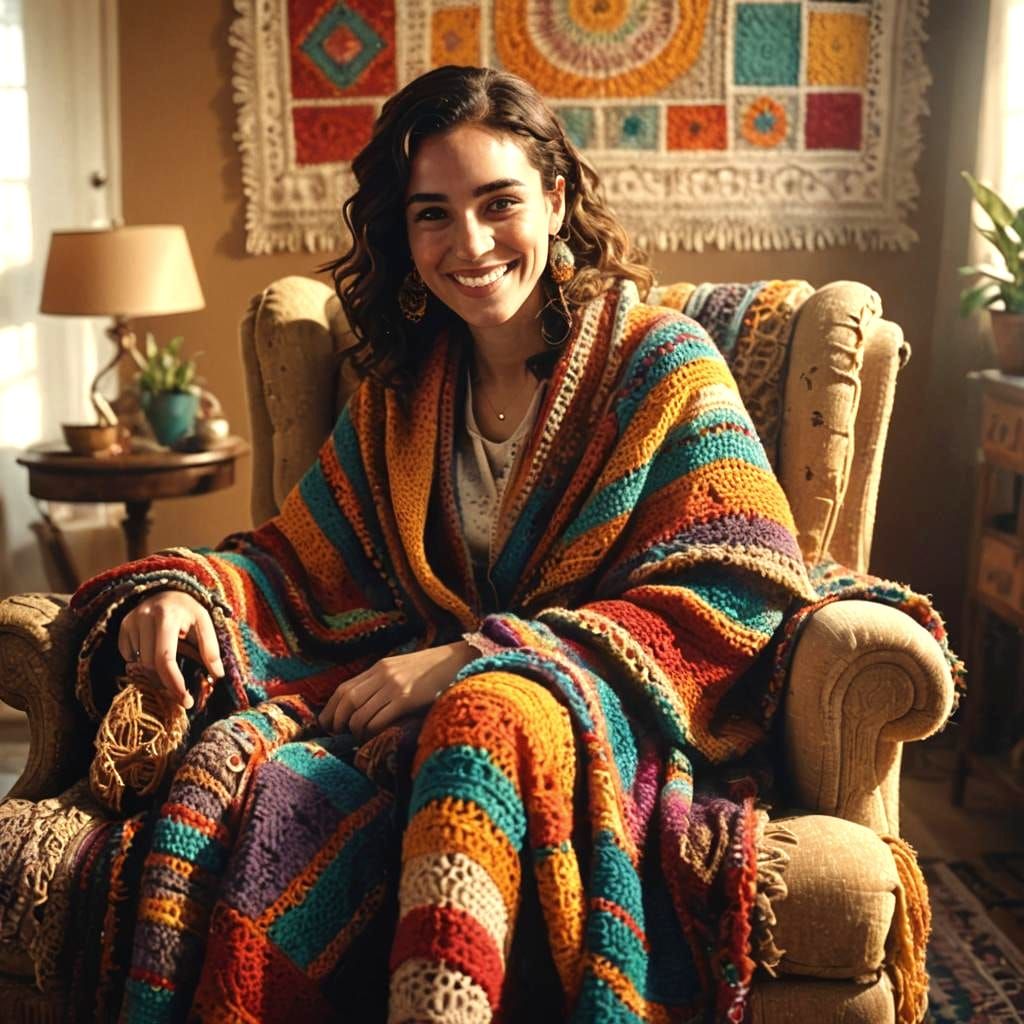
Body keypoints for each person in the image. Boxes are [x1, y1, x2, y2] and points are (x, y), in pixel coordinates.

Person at [66, 65, 819, 1023]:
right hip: (416, 704)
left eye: (497, 202)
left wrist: (475, 657)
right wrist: (182, 590)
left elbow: (741, 577)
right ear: (402, 231)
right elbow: (297, 561)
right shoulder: (399, 391)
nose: (468, 243)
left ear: (554, 201)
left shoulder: (661, 363)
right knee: (251, 788)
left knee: (486, 714)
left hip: (597, 707)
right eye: (432, 213)